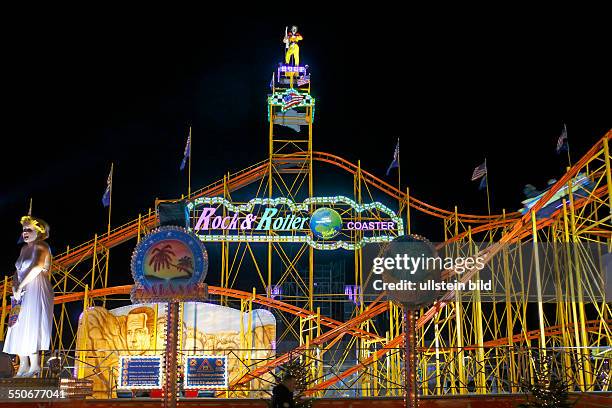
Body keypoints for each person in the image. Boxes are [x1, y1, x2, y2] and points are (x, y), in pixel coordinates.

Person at [3, 215, 54, 377]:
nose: (25, 232)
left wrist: (21, 285)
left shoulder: (42, 246)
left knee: (31, 323)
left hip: (35, 287)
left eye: (29, 229)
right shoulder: (24, 249)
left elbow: (37, 266)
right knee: (17, 325)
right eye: (24, 229)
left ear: (38, 232)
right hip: (21, 290)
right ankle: (23, 364)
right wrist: (15, 285)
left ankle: (34, 365)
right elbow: (17, 270)